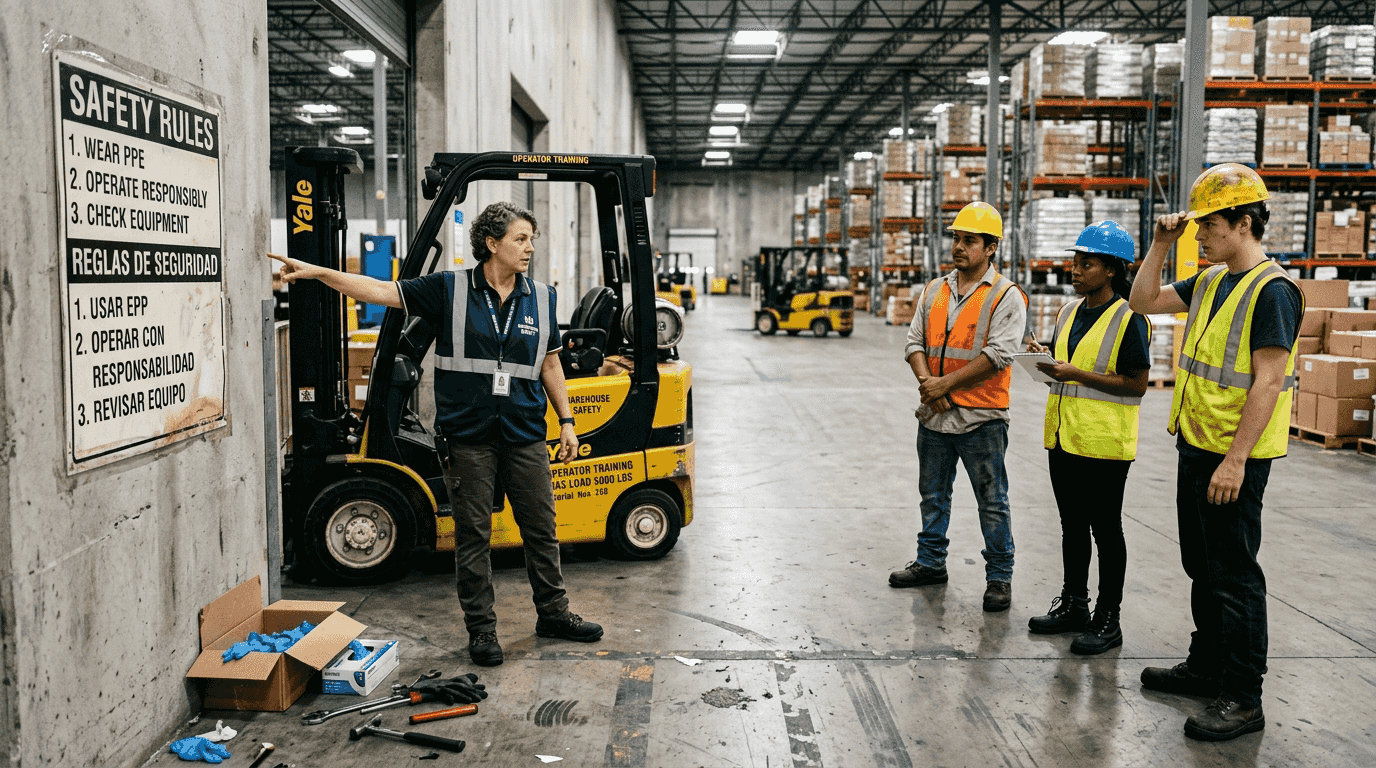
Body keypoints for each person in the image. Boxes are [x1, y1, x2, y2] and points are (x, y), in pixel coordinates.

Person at [268, 201, 603, 668]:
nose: (530, 248)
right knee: (473, 536)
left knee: (542, 531)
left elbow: (550, 365)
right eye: (521, 239)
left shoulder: (542, 297)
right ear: (492, 243)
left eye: (532, 239)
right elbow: (381, 290)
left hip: (525, 433)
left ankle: (554, 614)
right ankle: (482, 630)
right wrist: (320, 272)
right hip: (469, 436)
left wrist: (566, 421)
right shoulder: (449, 289)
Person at [1128, 164, 1302, 742]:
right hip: (1196, 445)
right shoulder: (1210, 282)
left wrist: (1236, 460)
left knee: (1234, 575)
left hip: (1234, 458)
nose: (1199, 235)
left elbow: (1268, 382)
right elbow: (1141, 300)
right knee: (1201, 566)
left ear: (1244, 222)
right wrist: (1161, 244)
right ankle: (1206, 666)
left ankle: (1244, 697)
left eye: (1209, 225)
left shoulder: (1273, 292)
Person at [890, 201, 1029, 612]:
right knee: (932, 495)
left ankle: (999, 577)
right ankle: (931, 562)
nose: (959, 247)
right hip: (935, 414)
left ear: (991, 247)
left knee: (992, 501)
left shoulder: (1006, 296)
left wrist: (944, 385)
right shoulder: (935, 289)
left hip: (981, 418)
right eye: (956, 238)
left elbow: (998, 355)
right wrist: (929, 387)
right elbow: (914, 343)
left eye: (970, 240)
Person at [1025, 221, 1150, 655]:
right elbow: (1066, 370)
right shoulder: (1067, 313)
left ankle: (1108, 618)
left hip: (1104, 444)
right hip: (1063, 438)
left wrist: (1074, 373)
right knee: (1072, 527)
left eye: (1087, 263)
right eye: (1075, 262)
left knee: (1106, 532)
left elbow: (1137, 385)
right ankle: (1074, 605)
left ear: (1112, 269)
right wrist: (1045, 363)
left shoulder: (1130, 318)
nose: (1075, 270)